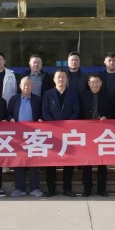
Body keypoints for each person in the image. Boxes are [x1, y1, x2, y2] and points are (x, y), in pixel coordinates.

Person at [42, 69, 80, 197]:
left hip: (68, 132)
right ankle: (51, 189)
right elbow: (45, 112)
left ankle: (67, 189)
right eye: (58, 77)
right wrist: (55, 126)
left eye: (63, 77)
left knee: (68, 161)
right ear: (54, 79)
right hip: (52, 132)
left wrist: (67, 125)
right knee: (51, 161)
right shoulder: (48, 94)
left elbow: (76, 111)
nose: (61, 79)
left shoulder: (73, 93)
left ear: (67, 79)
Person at [7, 77, 44, 197]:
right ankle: (20, 188)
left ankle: (35, 188)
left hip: (33, 134)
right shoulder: (14, 99)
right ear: (20, 86)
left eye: (29, 85)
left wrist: (40, 119)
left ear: (32, 87)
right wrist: (10, 119)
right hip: (18, 135)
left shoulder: (37, 99)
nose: (27, 87)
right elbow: (8, 113)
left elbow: (42, 113)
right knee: (19, 161)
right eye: (24, 85)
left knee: (34, 162)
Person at [79, 73, 114, 197]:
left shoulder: (107, 97)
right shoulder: (82, 96)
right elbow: (78, 113)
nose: (95, 84)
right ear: (89, 84)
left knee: (102, 163)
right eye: (92, 82)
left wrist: (106, 117)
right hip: (87, 133)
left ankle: (101, 188)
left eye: (97, 82)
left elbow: (112, 113)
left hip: (102, 134)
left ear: (101, 83)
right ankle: (87, 188)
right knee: (87, 163)